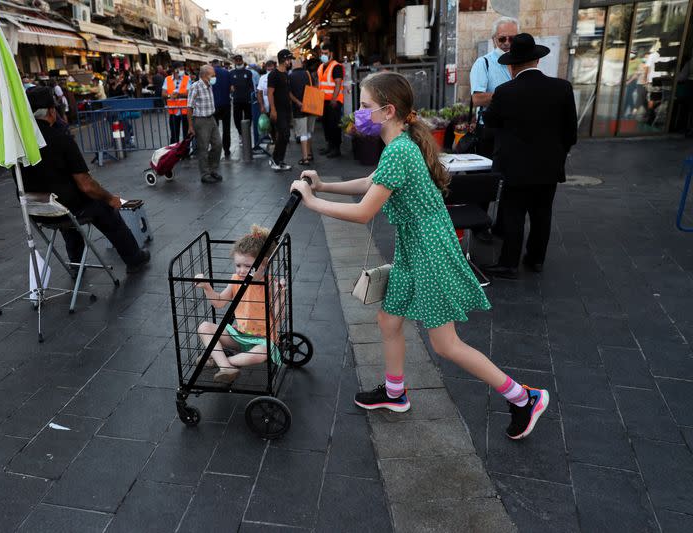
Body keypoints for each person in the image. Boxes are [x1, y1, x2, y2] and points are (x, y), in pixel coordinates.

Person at [289, 71, 550, 440]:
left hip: (429, 250)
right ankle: (395, 393)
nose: (358, 113)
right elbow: (370, 183)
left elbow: (365, 212)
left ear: (387, 110)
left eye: (364, 106)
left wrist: (314, 203)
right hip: (417, 245)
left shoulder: (400, 148)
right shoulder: (401, 142)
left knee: (446, 345)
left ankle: (524, 397)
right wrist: (324, 185)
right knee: (388, 319)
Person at [22, 87, 150, 273]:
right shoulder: (60, 138)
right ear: (51, 111)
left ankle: (76, 264)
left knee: (66, 208)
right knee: (103, 208)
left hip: (37, 210)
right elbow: (86, 184)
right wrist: (109, 198)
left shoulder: (20, 144)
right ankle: (134, 258)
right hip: (64, 209)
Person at [482, 34, 577, 280]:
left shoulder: (504, 91)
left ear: (511, 66)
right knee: (542, 214)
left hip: (515, 167)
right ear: (536, 61)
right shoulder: (562, 88)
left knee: (514, 214)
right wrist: (558, 154)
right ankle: (536, 260)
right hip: (549, 166)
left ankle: (509, 264)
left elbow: (490, 121)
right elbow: (571, 133)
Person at [194, 224, 282, 384]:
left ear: (264, 263)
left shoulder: (270, 284)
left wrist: (280, 296)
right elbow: (219, 303)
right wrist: (207, 286)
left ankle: (223, 362)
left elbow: (278, 317)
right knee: (204, 327)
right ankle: (226, 367)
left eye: (248, 266)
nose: (241, 270)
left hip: (263, 339)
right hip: (239, 335)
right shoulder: (236, 280)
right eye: (238, 265)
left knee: (260, 354)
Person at [469, 16, 519, 158]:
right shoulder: (483, 63)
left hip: (517, 128)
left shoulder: (522, 63)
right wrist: (511, 95)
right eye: (502, 39)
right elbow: (477, 99)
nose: (507, 43)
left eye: (512, 39)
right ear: (494, 39)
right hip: (493, 131)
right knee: (492, 176)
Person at [187, 65, 223, 184]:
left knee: (218, 144)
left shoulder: (209, 85)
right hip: (200, 120)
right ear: (204, 75)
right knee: (203, 148)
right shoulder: (195, 87)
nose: (214, 77)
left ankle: (212, 169)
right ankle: (205, 174)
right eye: (212, 75)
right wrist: (190, 126)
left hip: (211, 118)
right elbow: (189, 107)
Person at [267, 50, 294, 171]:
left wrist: (297, 103)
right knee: (283, 134)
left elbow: (288, 93)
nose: (291, 61)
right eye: (289, 59)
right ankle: (274, 159)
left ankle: (280, 160)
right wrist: (273, 110)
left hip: (286, 109)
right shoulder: (274, 74)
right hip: (278, 110)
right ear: (284, 59)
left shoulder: (286, 74)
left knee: (286, 135)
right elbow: (270, 93)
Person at [316, 43, 344, 158]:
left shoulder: (336, 66)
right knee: (326, 124)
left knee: (334, 125)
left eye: (326, 53)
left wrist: (334, 99)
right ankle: (329, 146)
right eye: (322, 53)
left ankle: (336, 149)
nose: (323, 55)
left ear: (331, 53)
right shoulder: (321, 66)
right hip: (323, 101)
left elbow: (338, 83)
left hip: (334, 101)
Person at [289, 56, 317, 166]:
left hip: (299, 108)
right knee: (309, 132)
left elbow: (289, 93)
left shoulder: (290, 76)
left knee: (302, 133)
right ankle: (310, 154)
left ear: (293, 65)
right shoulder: (308, 74)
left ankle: (305, 158)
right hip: (311, 107)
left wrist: (297, 102)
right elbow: (314, 87)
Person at [229, 54, 255, 147]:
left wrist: (251, 95)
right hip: (236, 100)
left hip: (247, 100)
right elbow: (230, 85)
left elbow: (251, 86)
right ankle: (240, 134)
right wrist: (230, 90)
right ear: (235, 62)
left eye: (240, 60)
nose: (238, 62)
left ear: (242, 61)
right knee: (237, 119)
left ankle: (247, 134)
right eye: (237, 60)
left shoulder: (248, 73)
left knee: (249, 118)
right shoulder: (231, 73)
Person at [163, 63, 190, 144]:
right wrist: (169, 95)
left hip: (185, 111)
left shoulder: (187, 78)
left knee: (186, 134)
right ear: (175, 70)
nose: (183, 71)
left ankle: (186, 151)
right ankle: (174, 152)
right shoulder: (167, 79)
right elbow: (163, 93)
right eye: (181, 69)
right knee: (174, 135)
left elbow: (189, 93)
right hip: (173, 111)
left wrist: (179, 95)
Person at [211, 59, 232, 159]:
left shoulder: (209, 73)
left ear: (212, 64)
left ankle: (216, 150)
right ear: (220, 64)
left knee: (215, 129)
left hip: (213, 105)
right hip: (225, 103)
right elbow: (231, 88)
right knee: (226, 128)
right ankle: (227, 150)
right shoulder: (227, 73)